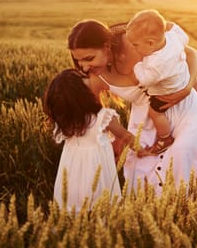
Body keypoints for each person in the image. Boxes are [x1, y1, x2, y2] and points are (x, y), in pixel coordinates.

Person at [67, 18, 197, 195]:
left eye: (89, 58)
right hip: (144, 121)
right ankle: (154, 217)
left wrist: (189, 86)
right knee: (142, 177)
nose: (83, 67)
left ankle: (191, 216)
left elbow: (191, 54)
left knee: (184, 159)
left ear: (107, 45)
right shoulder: (95, 77)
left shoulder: (135, 40)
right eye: (79, 61)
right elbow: (97, 112)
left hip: (183, 107)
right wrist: (119, 137)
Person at [43, 68, 135, 211]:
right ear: (84, 94)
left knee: (73, 209)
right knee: (101, 207)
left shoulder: (67, 123)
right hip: (97, 174)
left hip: (71, 177)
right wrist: (143, 149)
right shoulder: (103, 117)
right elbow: (126, 136)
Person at [125, 9, 189, 154]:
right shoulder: (173, 37)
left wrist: (137, 66)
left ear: (151, 43)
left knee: (154, 112)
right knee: (183, 68)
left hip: (169, 91)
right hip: (182, 76)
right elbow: (181, 34)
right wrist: (167, 25)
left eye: (135, 45)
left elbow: (145, 80)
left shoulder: (156, 64)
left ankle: (165, 138)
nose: (133, 48)